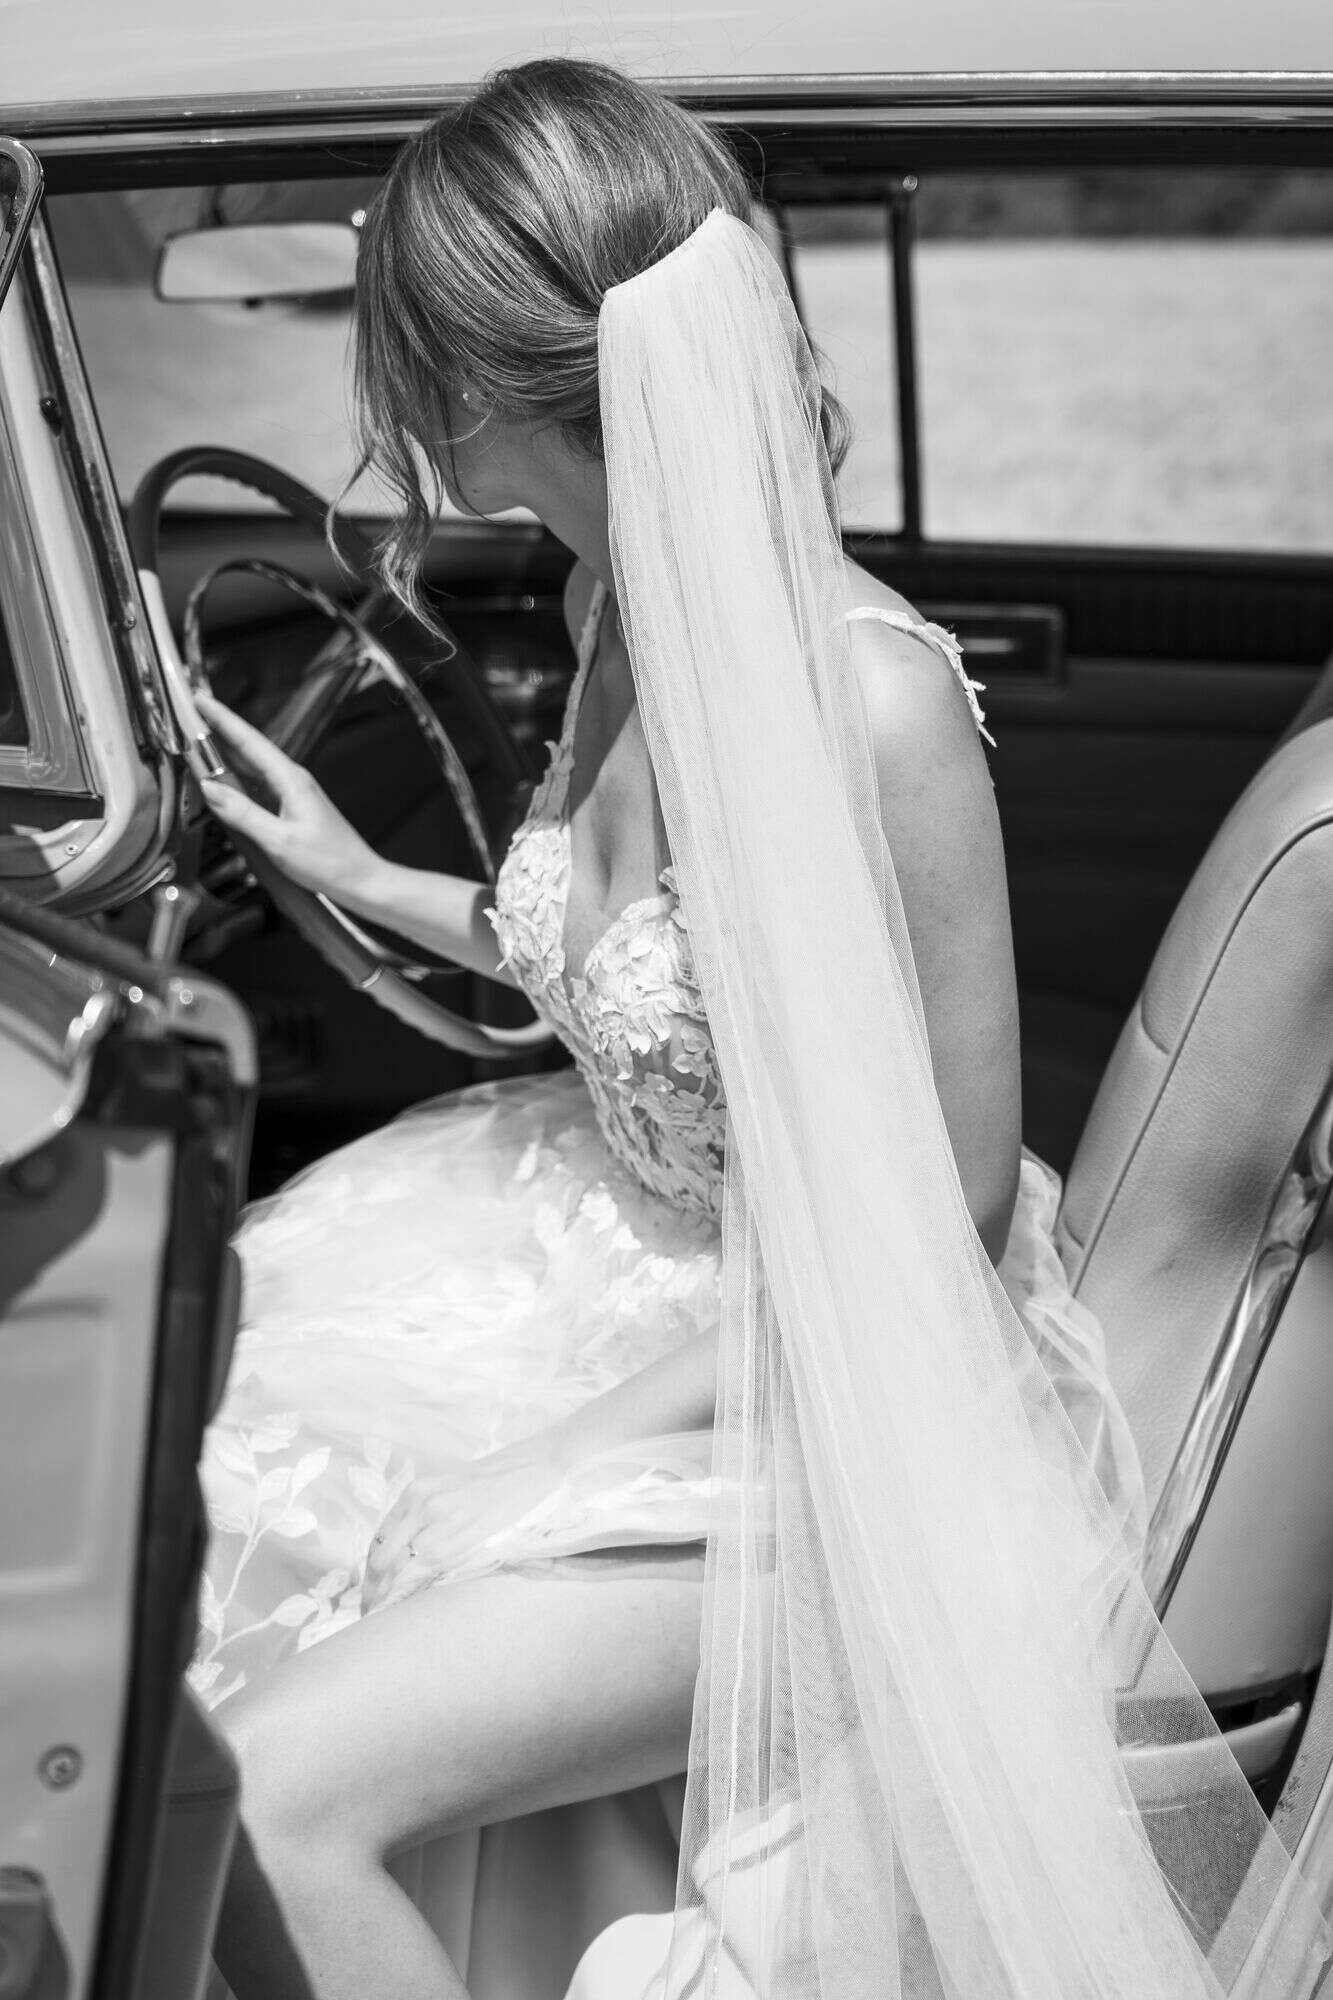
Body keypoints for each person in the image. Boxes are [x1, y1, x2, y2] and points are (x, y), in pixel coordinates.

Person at [191, 57, 1329, 2000]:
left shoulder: (871, 703)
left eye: (397, 354)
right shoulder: (607, 591)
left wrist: (554, 1455)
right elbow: (627, 964)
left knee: (263, 1787)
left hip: (831, 1381)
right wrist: (360, 875)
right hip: (570, 1232)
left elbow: (945, 1219)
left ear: (468, 383)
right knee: (194, 1459)